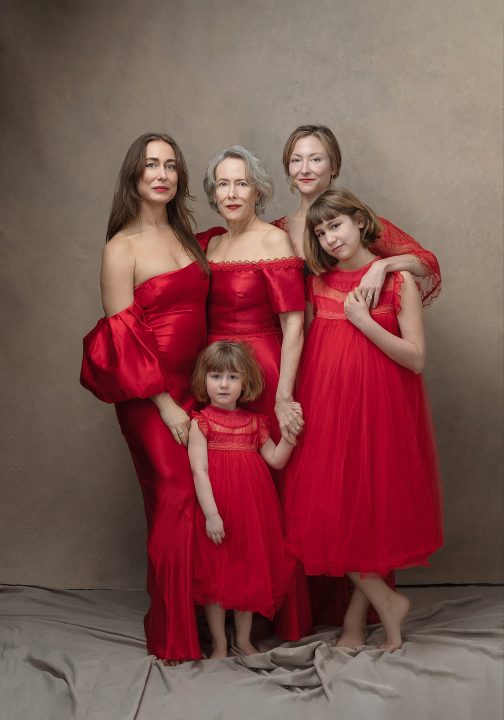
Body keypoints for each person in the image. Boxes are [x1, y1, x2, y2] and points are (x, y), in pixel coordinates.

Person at [283, 189, 443, 650]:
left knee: (367, 517)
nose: (330, 238)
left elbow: (415, 359)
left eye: (336, 226)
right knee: (332, 515)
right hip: (329, 413)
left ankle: (367, 620)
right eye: (320, 231)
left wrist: (365, 322)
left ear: (359, 221)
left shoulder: (398, 284)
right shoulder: (319, 283)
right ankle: (380, 608)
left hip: (381, 415)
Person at [80, 132, 209, 664]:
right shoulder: (121, 248)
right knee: (176, 493)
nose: (162, 174)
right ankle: (172, 632)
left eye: (171, 166)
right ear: (134, 175)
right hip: (149, 394)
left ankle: (203, 612)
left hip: (196, 387)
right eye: (151, 165)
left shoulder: (189, 237)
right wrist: (166, 404)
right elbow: (122, 339)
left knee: (205, 494)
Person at [197, 146, 312, 639]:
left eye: (240, 182)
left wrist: (283, 392)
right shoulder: (208, 246)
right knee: (224, 486)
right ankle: (229, 597)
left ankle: (277, 612)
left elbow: (294, 324)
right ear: (212, 194)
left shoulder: (275, 242)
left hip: (263, 370)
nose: (231, 192)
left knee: (271, 490)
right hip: (216, 369)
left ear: (259, 189)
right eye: (222, 184)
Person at [188, 342, 298, 658]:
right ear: (204, 379)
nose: (224, 384)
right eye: (216, 376)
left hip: (252, 511)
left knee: (248, 573)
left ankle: (244, 639)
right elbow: (199, 471)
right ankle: (221, 644)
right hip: (218, 510)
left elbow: (276, 460)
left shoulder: (256, 423)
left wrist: (291, 433)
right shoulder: (201, 423)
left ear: (244, 383)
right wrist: (211, 514)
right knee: (216, 577)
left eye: (233, 377)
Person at [272, 124, 441, 306]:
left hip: (349, 328)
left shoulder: (357, 222)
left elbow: (427, 262)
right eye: (296, 160)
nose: (304, 169)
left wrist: (382, 266)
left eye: (315, 159)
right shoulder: (275, 231)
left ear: (334, 166)